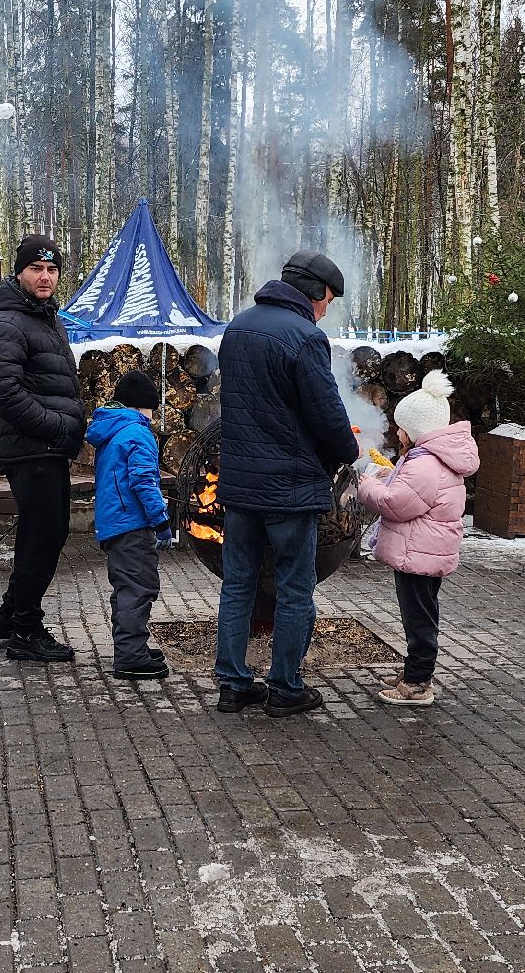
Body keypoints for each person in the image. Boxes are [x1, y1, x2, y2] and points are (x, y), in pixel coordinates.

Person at [213, 250, 360, 718]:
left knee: (238, 585)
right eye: (329, 301)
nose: (326, 310)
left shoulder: (237, 328)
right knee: (295, 588)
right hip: (289, 488)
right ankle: (285, 687)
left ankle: (233, 685)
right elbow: (327, 413)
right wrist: (347, 452)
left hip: (239, 483)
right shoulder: (305, 337)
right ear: (316, 292)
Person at [0, 235, 86, 662]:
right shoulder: (9, 322)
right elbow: (1, 391)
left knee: (47, 534)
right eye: (36, 269)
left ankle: (10, 615)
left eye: (52, 269)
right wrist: (56, 427)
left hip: (46, 447)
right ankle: (25, 629)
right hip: (33, 447)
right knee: (41, 537)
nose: (45, 277)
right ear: (19, 273)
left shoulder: (44, 318)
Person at [355, 371, 478, 706]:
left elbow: (396, 503)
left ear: (417, 429)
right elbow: (408, 488)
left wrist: (367, 484)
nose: (397, 432)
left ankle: (418, 684)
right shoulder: (431, 458)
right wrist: (386, 474)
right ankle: (414, 672)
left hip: (419, 553)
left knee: (419, 618)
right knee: (421, 613)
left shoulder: (425, 464)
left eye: (402, 427)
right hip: (425, 550)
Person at [85, 369, 173, 680]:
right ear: (141, 406)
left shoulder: (112, 431)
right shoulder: (137, 433)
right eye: (152, 408)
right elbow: (144, 482)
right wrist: (161, 521)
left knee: (127, 587)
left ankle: (132, 646)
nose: (154, 416)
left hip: (114, 523)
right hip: (132, 524)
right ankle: (130, 657)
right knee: (139, 587)